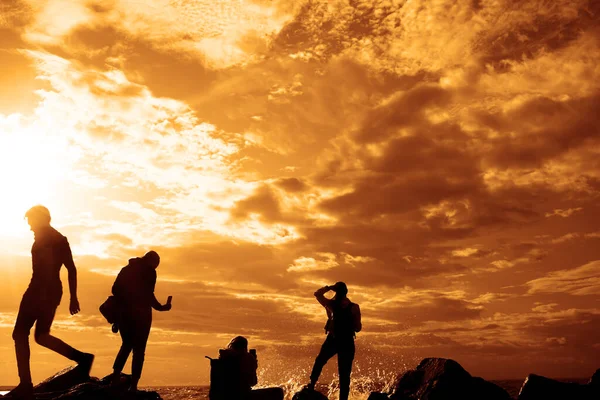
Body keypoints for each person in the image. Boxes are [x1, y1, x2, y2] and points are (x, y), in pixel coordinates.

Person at [12, 206, 94, 399]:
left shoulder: (56, 239)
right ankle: (82, 358)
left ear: (41, 219)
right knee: (40, 336)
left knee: (20, 333)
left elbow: (71, 269)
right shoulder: (54, 238)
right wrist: (71, 296)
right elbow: (71, 269)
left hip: (41, 290)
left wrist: (74, 297)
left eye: (31, 221)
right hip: (48, 290)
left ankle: (25, 385)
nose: (30, 227)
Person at [110, 251, 172, 392]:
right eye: (156, 264)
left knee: (126, 346)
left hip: (124, 314)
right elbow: (149, 295)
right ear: (151, 261)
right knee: (139, 351)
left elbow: (114, 289)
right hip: (141, 316)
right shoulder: (149, 272)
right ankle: (133, 387)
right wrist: (161, 307)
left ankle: (114, 379)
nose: (156, 267)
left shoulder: (126, 269)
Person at [306, 282, 361, 400]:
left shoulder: (330, 304)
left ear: (336, 292)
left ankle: (311, 385)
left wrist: (329, 288)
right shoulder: (354, 307)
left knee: (320, 361)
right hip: (347, 341)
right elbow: (358, 328)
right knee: (344, 375)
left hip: (333, 340)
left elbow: (317, 294)